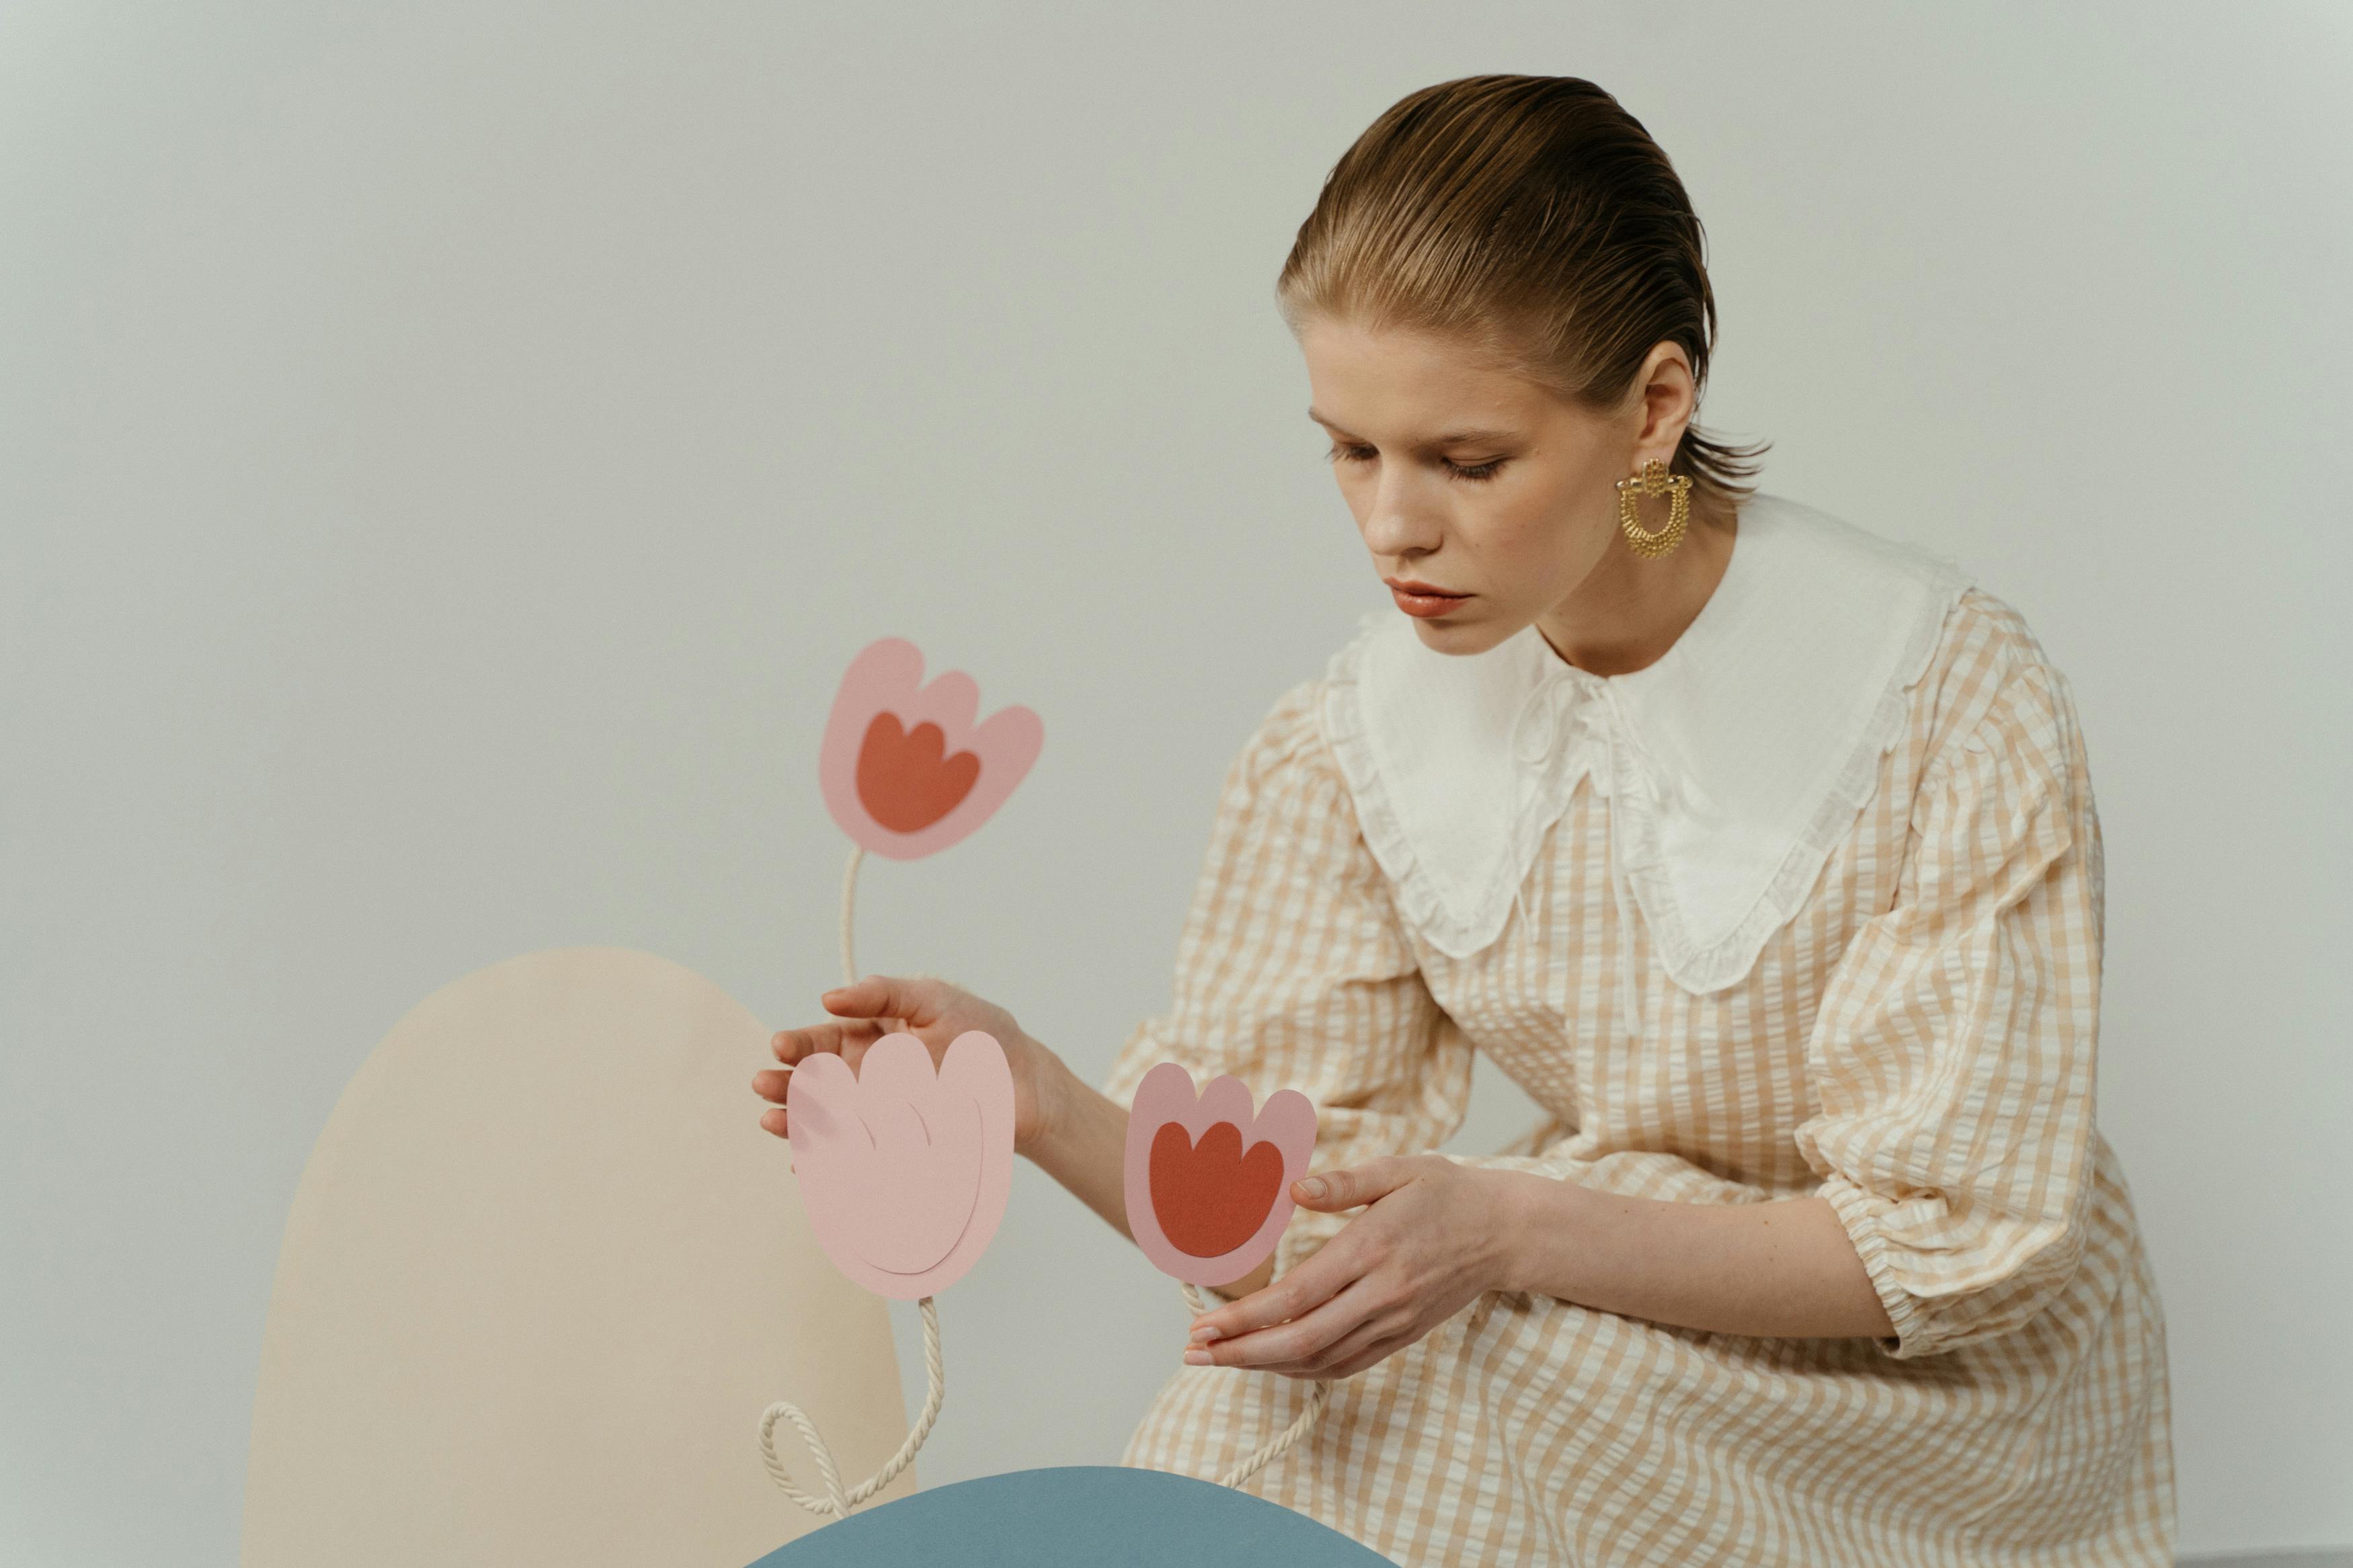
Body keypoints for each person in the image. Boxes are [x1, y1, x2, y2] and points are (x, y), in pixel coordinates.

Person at [752, 73, 2174, 1567]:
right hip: (1596, 1307)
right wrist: (1031, 1099)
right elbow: (1280, 1225)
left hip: (1936, 1404)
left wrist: (1508, 1232)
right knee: (1291, 1393)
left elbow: (1962, 1244)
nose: (1391, 528)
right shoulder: (1354, 741)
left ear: (1653, 406)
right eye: (1350, 450)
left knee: (1437, 1381)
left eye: (1465, 462)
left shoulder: (1937, 693)